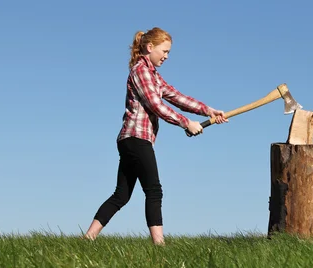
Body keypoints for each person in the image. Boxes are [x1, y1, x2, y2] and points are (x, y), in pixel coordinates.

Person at [83, 27, 228, 245]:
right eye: (165, 51)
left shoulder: (153, 76)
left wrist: (208, 110)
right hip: (136, 139)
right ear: (150, 47)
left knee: (121, 195)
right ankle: (159, 246)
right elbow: (155, 104)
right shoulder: (140, 71)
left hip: (132, 140)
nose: (167, 56)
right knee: (154, 190)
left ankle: (87, 239)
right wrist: (186, 123)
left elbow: (176, 97)